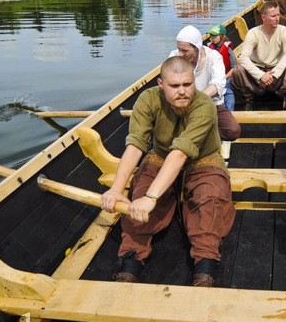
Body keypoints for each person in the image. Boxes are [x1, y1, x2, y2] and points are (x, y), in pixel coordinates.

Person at [102, 56, 236, 287]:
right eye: (175, 86)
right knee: (139, 191)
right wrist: (116, 189)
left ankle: (204, 265)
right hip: (162, 155)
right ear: (161, 84)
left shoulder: (204, 105)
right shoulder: (147, 99)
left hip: (202, 159)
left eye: (187, 84)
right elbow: (135, 146)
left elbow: (181, 154)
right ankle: (131, 260)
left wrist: (151, 198)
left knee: (210, 197)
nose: (182, 91)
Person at [170, 25, 241, 141]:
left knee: (233, 131)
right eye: (179, 49)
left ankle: (200, 135)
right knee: (165, 127)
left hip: (211, 103)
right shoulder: (175, 56)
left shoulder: (214, 57)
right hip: (182, 104)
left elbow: (217, 84)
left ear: (197, 48)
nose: (180, 53)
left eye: (185, 50)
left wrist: (197, 99)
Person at [229, 1, 286, 111]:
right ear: (263, 17)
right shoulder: (253, 33)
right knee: (238, 70)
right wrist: (260, 76)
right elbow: (243, 57)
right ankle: (249, 100)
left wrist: (274, 74)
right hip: (257, 72)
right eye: (273, 16)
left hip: (276, 71)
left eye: (278, 15)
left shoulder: (284, 31)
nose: (277, 18)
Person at [206, 23, 236, 111]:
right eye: (211, 36)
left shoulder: (227, 48)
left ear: (222, 36)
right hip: (213, 76)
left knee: (228, 91)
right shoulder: (208, 48)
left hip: (226, 75)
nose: (212, 38)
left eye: (215, 36)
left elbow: (234, 67)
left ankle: (230, 112)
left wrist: (224, 78)